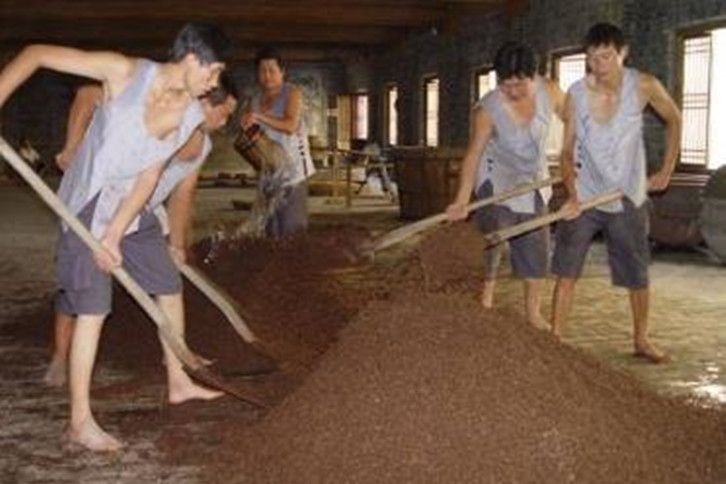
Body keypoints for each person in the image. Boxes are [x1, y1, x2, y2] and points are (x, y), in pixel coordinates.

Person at [0, 22, 231, 451]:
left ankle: (178, 381)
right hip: (86, 202)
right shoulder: (123, 72)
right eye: (213, 71)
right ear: (193, 59)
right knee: (93, 307)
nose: (214, 83)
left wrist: (117, 232)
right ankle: (79, 421)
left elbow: (150, 176)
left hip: (130, 206)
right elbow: (35, 53)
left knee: (166, 282)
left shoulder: (192, 115)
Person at [43, 75, 238, 388]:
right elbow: (88, 93)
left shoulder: (202, 146)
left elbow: (182, 195)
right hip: (99, 198)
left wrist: (176, 245)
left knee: (168, 283)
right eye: (224, 112)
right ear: (203, 102)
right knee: (80, 289)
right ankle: (61, 356)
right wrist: (71, 147)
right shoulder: (159, 109)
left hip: (142, 210)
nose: (226, 121)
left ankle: (176, 360)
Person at [550, 22, 681, 363]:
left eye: (606, 56)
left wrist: (666, 170)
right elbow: (567, 151)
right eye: (592, 57)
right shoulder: (577, 94)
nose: (599, 64)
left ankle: (641, 339)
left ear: (623, 53)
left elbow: (675, 119)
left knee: (636, 274)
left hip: (628, 196)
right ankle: (555, 341)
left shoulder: (644, 86)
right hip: (587, 195)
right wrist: (572, 194)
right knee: (566, 271)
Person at [446, 42, 565, 328]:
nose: (512, 91)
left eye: (519, 84)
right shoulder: (488, 109)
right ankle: (484, 302)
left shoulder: (549, 92)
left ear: (533, 76)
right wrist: (462, 200)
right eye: (505, 84)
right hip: (496, 175)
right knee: (493, 236)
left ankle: (533, 313)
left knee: (537, 241)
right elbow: (473, 154)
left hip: (532, 176)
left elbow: (576, 122)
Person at [241, 46, 316, 238]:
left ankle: (295, 267)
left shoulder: (292, 93)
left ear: (282, 72)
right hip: (270, 173)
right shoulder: (256, 99)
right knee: (270, 230)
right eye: (262, 71)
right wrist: (248, 128)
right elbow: (255, 135)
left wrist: (258, 116)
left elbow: (290, 125)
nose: (267, 76)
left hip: (293, 173)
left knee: (291, 230)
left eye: (272, 70)